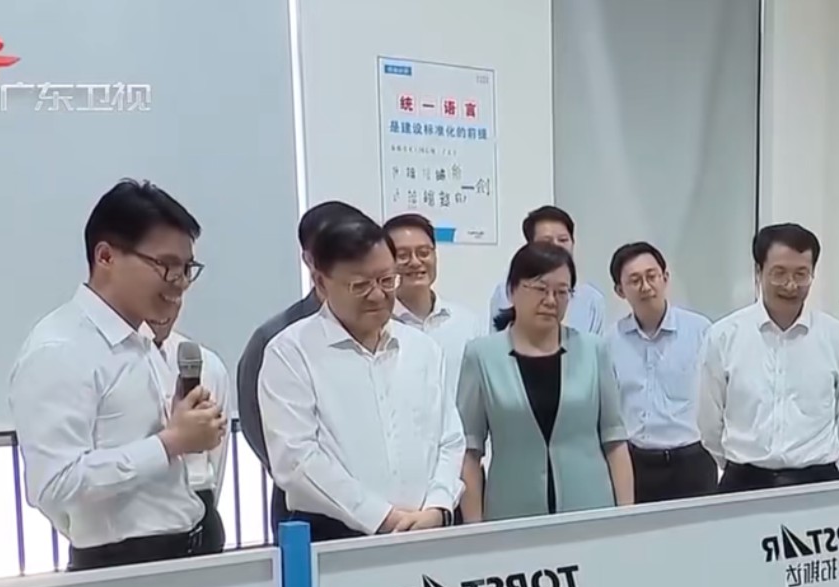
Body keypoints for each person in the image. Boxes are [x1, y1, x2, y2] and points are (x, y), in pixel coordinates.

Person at [10, 179, 226, 570]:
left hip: (189, 549)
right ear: (106, 256)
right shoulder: (59, 349)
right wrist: (170, 443)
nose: (179, 283)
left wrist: (183, 431)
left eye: (186, 268)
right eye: (165, 266)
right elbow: (54, 485)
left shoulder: (141, 339)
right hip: (124, 566)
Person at [257, 214, 465, 542]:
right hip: (334, 536)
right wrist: (382, 517)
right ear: (321, 282)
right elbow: (296, 459)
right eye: (361, 285)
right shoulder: (291, 352)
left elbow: (449, 439)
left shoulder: (423, 349)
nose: (378, 295)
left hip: (426, 530)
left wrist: (438, 507)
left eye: (386, 280)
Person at [457, 242, 633, 523]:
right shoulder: (481, 355)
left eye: (562, 292)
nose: (551, 300)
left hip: (590, 509)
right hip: (512, 513)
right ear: (512, 290)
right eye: (540, 289)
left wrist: (626, 517)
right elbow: (469, 450)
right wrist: (474, 530)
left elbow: (614, 440)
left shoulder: (594, 350)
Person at [698, 223, 839, 493]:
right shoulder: (724, 336)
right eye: (779, 273)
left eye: (801, 274)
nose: (790, 285)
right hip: (744, 481)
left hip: (816, 481)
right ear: (758, 271)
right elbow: (709, 421)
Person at [236, 200, 364, 533]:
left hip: (390, 508)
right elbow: (258, 429)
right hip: (308, 513)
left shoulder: (396, 335)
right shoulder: (276, 338)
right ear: (310, 260)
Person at [606, 241, 717, 502]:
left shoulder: (700, 330)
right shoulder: (610, 341)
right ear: (620, 290)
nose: (645, 286)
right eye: (635, 280)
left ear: (665, 278)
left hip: (692, 459)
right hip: (637, 462)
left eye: (652, 276)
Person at [149, 308, 232, 553]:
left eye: (176, 296)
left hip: (201, 509)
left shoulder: (208, 364)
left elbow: (218, 458)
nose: (167, 305)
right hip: (138, 522)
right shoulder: (108, 366)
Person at [384, 212, 482, 401]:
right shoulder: (379, 326)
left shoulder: (467, 323)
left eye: (423, 253)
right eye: (402, 255)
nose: (415, 262)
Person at [488, 206, 606, 335]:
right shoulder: (507, 291)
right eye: (546, 241)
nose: (556, 246)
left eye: (563, 240)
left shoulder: (592, 299)